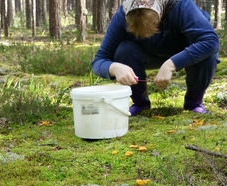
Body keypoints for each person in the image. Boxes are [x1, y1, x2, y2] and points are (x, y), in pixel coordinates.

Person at [91, 0, 219, 115]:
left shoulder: (182, 6)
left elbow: (211, 41)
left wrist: (172, 64)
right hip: (145, 54)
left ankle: (194, 103)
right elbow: (99, 61)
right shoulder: (122, 15)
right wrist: (113, 67)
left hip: (182, 51)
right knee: (124, 50)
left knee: (208, 53)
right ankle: (140, 103)